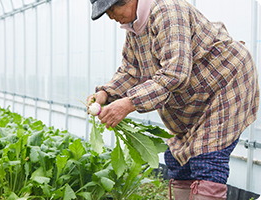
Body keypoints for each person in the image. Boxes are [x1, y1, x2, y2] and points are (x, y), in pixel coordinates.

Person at [86, 0, 260, 199]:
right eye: (106, 11)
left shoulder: (167, 10)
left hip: (224, 84)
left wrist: (129, 103)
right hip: (194, 97)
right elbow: (131, 72)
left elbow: (175, 74)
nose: (110, 16)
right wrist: (105, 94)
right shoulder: (135, 27)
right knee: (178, 161)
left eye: (112, 8)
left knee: (207, 160)